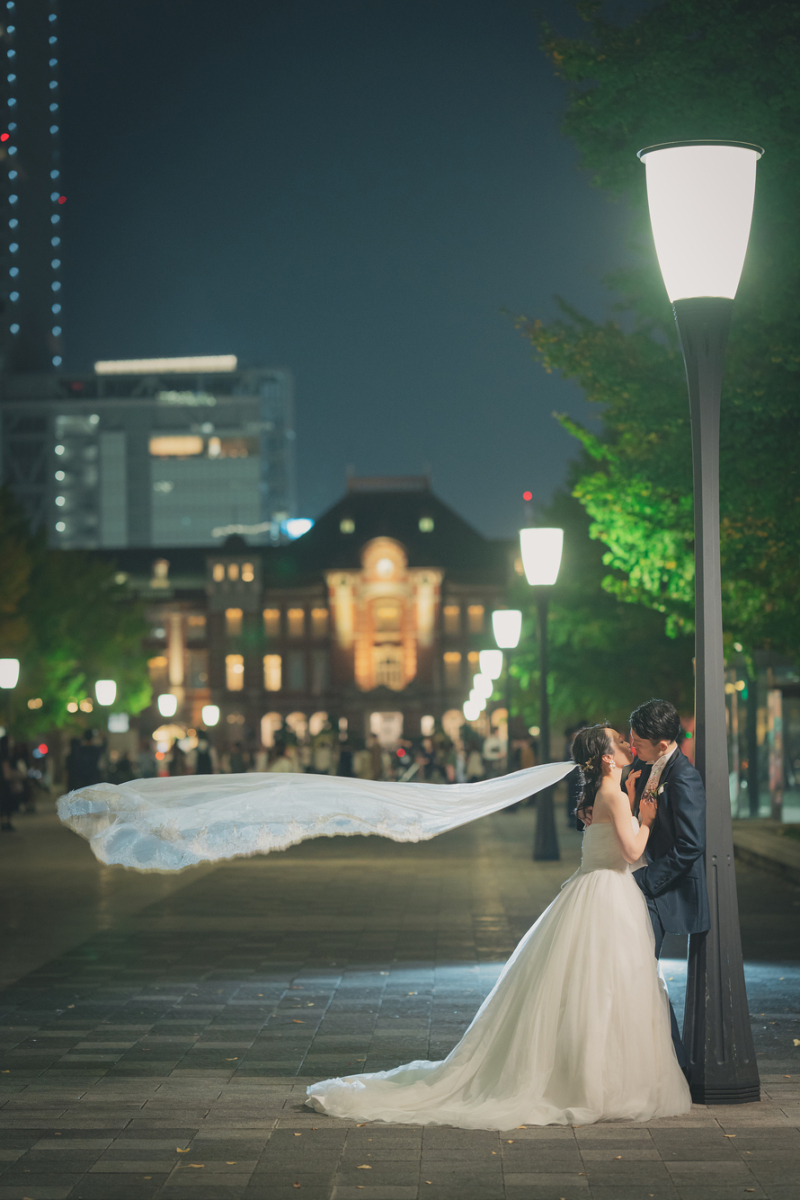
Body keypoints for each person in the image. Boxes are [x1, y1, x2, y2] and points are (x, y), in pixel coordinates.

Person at [304, 722, 689, 1127]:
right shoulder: (610, 792)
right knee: (607, 987)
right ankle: (603, 1081)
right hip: (610, 893)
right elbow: (630, 851)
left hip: (591, 890)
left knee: (589, 988)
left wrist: (629, 801)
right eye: (619, 741)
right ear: (608, 757)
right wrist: (644, 819)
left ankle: (586, 1076)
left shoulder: (603, 792)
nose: (629, 745)